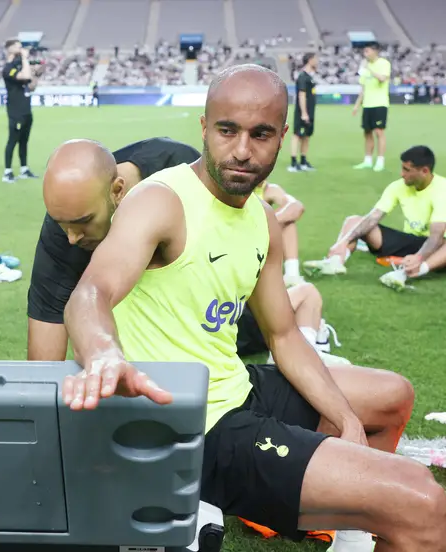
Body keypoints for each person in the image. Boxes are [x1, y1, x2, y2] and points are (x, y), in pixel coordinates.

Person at [60, 65, 444, 551]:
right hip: (194, 422)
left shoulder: (262, 218)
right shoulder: (160, 201)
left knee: (392, 396)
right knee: (424, 503)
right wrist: (104, 353)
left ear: (283, 135)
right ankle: (360, 507)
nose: (242, 150)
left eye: (260, 134)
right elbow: (90, 294)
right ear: (204, 128)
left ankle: (349, 525)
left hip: (236, 385)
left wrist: (346, 419)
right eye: (227, 130)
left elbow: (283, 336)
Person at [29, 136, 343, 365]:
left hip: (208, 312)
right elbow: (42, 366)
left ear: (118, 191)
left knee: (288, 310)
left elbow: (227, 253)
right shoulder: (66, 229)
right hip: (136, 335)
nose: (71, 236)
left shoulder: (179, 173)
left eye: (83, 222)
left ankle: (310, 331)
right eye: (61, 223)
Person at [305, 145, 446, 291]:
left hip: (437, 248)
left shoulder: (442, 189)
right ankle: (335, 262)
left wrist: (419, 257)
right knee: (354, 221)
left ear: (424, 171)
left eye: (407, 170)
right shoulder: (398, 187)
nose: (401, 173)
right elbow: (373, 217)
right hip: (410, 240)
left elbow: (436, 236)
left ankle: (408, 273)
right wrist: (344, 241)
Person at [253, 180, 305, 286]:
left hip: (255, 239)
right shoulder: (232, 187)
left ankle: (292, 274)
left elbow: (296, 207)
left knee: (288, 222)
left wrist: (265, 223)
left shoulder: (268, 189)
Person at [2, 38, 39, 183]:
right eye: (17, 46)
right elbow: (25, 76)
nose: (20, 48)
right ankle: (7, 172)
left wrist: (37, 75)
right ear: (10, 48)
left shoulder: (19, 66)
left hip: (26, 110)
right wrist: (24, 57)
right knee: (13, 141)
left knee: (24, 141)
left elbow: (31, 86)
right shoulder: (8, 68)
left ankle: (24, 169)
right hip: (15, 110)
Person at [352, 43, 391, 172]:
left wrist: (369, 69)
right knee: (367, 132)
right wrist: (357, 106)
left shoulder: (383, 63)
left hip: (379, 103)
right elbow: (363, 88)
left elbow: (382, 79)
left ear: (375, 51)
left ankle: (380, 161)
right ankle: (367, 160)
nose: (365, 54)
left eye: (367, 51)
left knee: (379, 132)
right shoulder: (364, 68)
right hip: (367, 105)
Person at [288, 52, 316, 172]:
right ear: (310, 60)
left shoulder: (310, 77)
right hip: (302, 112)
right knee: (297, 135)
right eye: (315, 59)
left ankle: (303, 161)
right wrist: (304, 113)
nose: (317, 61)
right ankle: (294, 163)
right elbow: (302, 95)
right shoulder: (302, 77)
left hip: (310, 112)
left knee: (306, 136)